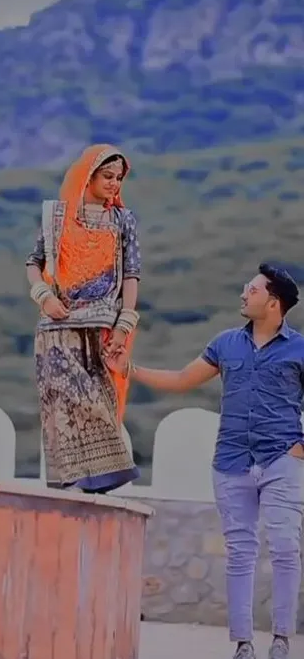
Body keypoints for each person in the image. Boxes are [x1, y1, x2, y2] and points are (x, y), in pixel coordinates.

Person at [106, 263, 304, 659]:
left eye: (252, 290)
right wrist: (127, 370)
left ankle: (282, 638)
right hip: (230, 461)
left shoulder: (299, 349)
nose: (244, 294)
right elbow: (182, 379)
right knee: (240, 551)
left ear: (273, 302)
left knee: (285, 544)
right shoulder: (226, 343)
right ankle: (243, 643)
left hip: (283, 457)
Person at [25, 144, 141, 493]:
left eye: (119, 178)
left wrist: (125, 323)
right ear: (86, 176)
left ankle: (104, 476)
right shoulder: (56, 217)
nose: (114, 184)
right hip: (57, 323)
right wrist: (43, 297)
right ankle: (69, 477)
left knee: (96, 397)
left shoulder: (123, 220)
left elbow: (132, 274)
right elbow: (34, 262)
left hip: (102, 323)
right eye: (107, 176)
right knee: (60, 398)